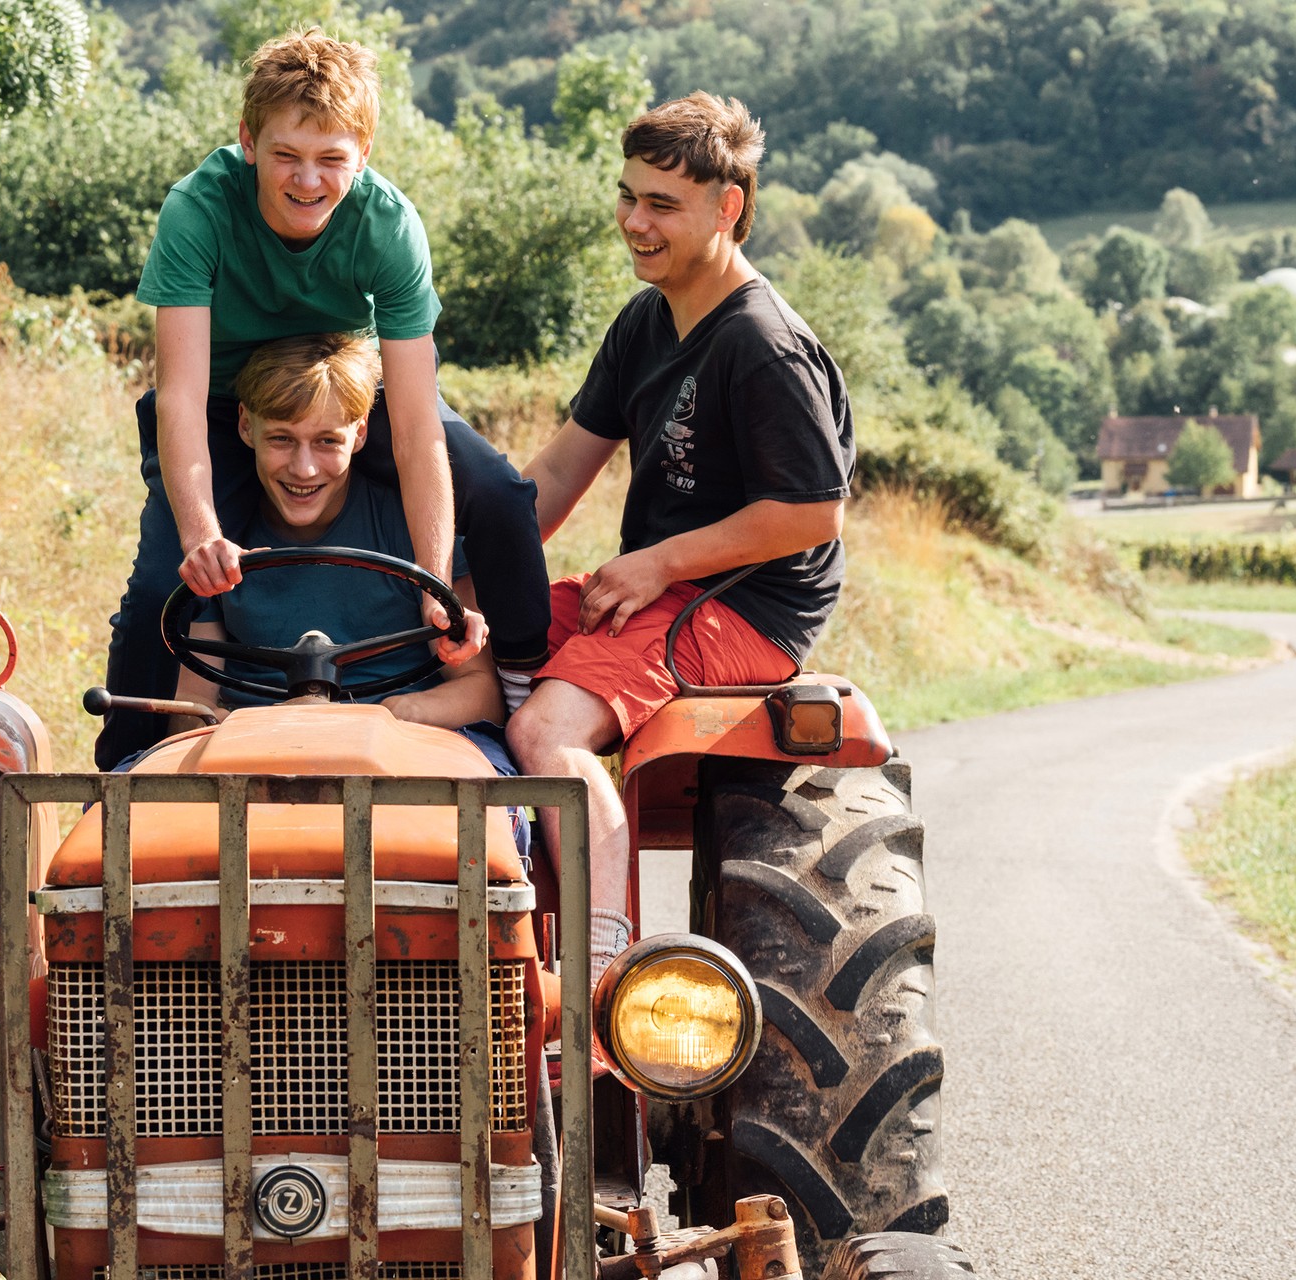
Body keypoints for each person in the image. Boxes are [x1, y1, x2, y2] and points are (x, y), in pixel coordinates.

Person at [98, 28, 550, 770]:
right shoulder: (197, 211)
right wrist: (200, 533)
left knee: (499, 493)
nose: (308, 181)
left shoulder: (389, 225)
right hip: (224, 403)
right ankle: (119, 768)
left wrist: (436, 584)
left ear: (362, 156)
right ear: (248, 142)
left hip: (342, 392)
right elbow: (178, 396)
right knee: (159, 590)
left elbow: (412, 424)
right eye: (287, 157)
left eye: (332, 160)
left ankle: (521, 693)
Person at [505, 92, 855, 980]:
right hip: (659, 588)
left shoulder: (762, 344)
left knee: (548, 735)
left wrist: (658, 561)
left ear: (726, 207)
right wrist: (455, 586)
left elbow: (814, 511)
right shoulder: (648, 320)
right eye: (628, 197)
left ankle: (603, 975)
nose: (635, 222)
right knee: (464, 657)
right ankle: (495, 928)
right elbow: (555, 478)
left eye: (661, 205)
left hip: (744, 607)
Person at [165, 333, 529, 852]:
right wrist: (243, 733)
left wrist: (389, 718)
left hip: (408, 746)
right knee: (119, 818)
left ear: (360, 434)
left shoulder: (414, 533)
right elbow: (193, 702)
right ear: (246, 425)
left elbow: (479, 687)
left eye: (327, 441)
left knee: (481, 826)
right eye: (282, 439)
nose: (304, 468)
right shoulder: (219, 544)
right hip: (256, 753)